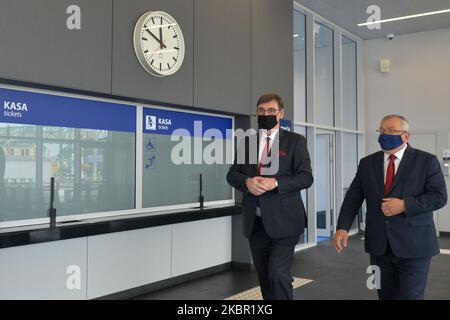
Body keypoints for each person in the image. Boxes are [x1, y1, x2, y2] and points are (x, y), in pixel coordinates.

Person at [334, 115, 447, 300]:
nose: (385, 134)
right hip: (379, 248)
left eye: (391, 131)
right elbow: (353, 197)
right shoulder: (367, 163)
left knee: (411, 297)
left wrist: (405, 205)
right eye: (382, 130)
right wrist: (342, 227)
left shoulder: (426, 161)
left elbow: (439, 197)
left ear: (406, 136)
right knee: (385, 296)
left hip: (415, 248)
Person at [226, 93, 313, 300]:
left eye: (271, 111)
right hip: (256, 223)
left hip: (285, 221)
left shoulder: (295, 141)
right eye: (262, 111)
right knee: (265, 277)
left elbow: (306, 177)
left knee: (278, 273)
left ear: (280, 113)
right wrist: (247, 182)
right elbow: (232, 174)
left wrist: (275, 182)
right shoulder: (247, 142)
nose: (266, 114)